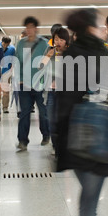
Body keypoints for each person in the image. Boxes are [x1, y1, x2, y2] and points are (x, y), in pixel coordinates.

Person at [56, 9, 108, 216]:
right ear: (89, 29)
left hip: (75, 138)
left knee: (88, 196)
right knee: (90, 200)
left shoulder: (69, 56)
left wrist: (60, 138)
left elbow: (63, 101)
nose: (103, 29)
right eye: (98, 25)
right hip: (102, 135)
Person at [15, 16, 50, 151]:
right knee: (24, 113)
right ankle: (22, 141)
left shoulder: (44, 44)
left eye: (31, 27)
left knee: (43, 112)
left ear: (36, 28)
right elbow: (17, 62)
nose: (29, 30)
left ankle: (46, 135)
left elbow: (47, 64)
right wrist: (18, 79)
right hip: (24, 84)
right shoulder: (21, 43)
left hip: (40, 85)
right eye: (27, 27)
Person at [43, 27, 70, 156]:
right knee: (51, 120)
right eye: (56, 39)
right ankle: (55, 145)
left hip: (66, 93)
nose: (58, 42)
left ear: (66, 41)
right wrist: (48, 57)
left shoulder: (71, 53)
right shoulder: (49, 51)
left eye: (61, 39)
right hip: (52, 92)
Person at [0, 36, 15, 114]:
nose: (6, 46)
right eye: (5, 44)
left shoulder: (12, 49)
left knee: (6, 90)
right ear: (2, 42)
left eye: (8, 44)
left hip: (7, 72)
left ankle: (5, 107)